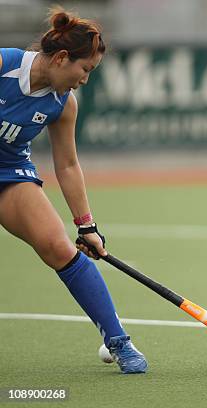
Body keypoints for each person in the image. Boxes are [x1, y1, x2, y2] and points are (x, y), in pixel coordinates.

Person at [0, 8, 147, 373]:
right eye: (86, 70)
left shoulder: (63, 103)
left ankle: (119, 342)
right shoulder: (4, 63)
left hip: (9, 172)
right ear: (63, 58)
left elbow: (67, 165)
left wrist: (87, 226)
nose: (85, 80)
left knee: (59, 247)